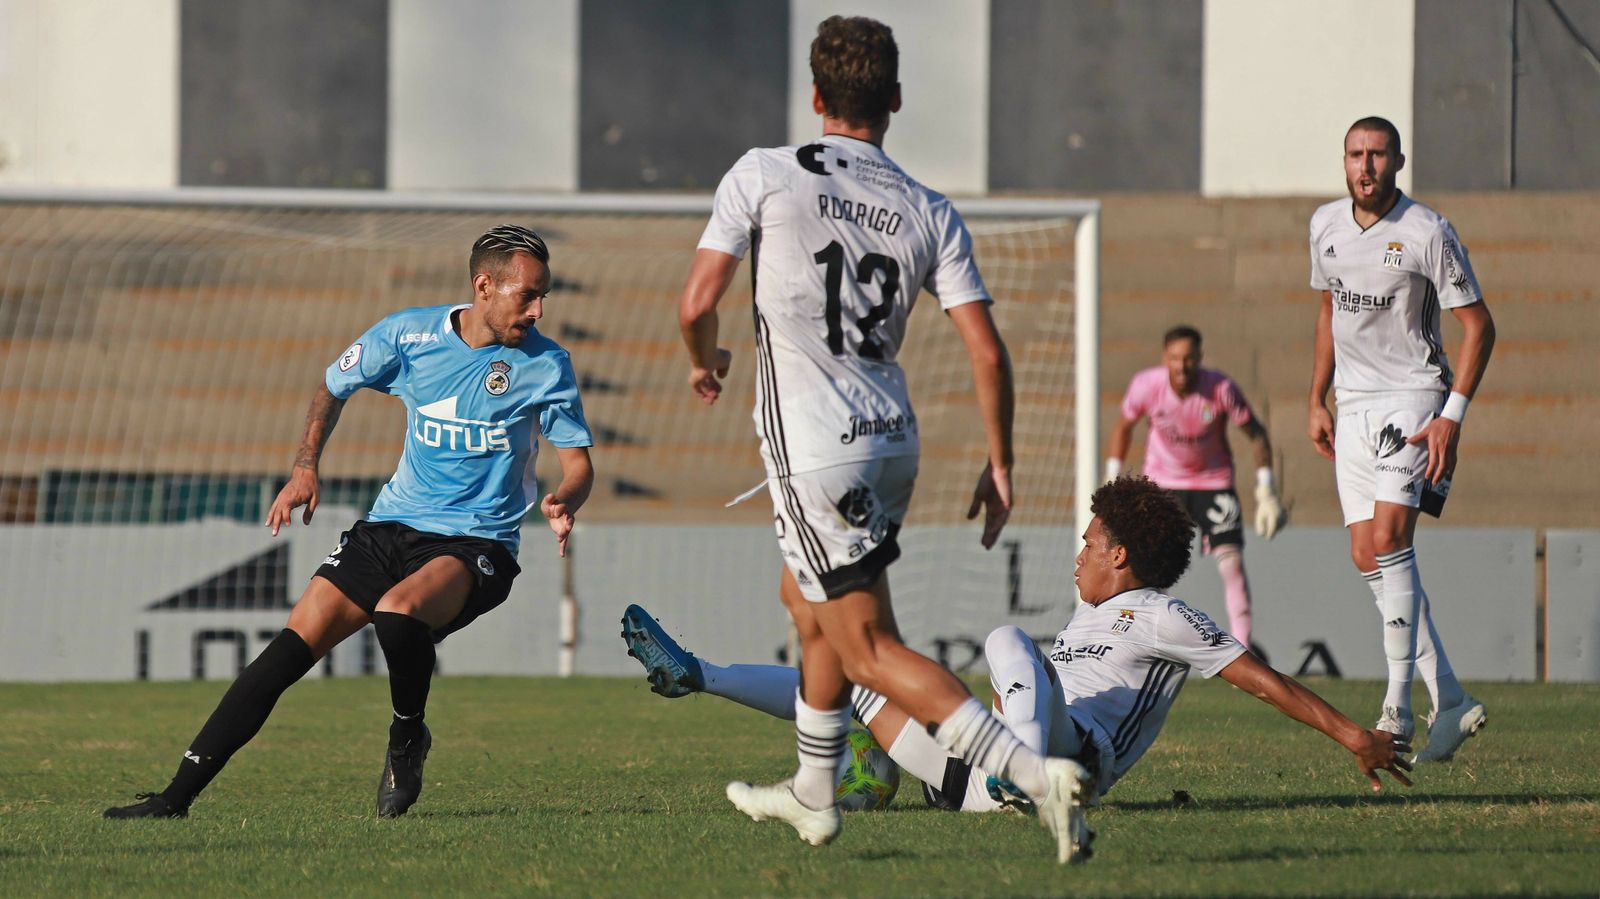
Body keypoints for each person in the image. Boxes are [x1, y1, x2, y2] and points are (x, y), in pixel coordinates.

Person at [661, 14, 1093, 864]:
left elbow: (694, 303)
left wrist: (703, 360)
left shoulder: (764, 173)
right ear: (895, 99)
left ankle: (1034, 776)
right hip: (893, 438)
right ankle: (815, 790)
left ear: (814, 95)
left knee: (867, 649)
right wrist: (1001, 461)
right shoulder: (927, 207)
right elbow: (986, 351)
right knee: (805, 601)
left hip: (817, 445)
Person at [104, 225, 596, 819]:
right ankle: (173, 799)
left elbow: (578, 465)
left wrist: (565, 499)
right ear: (484, 286)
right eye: (528, 295)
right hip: (390, 526)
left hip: (477, 541)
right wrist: (304, 466)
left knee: (398, 611)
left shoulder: (547, 364)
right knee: (284, 655)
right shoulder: (409, 334)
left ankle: (407, 735)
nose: (538, 310)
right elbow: (332, 385)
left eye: (544, 297)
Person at [620, 476, 1412, 818]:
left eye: (1088, 542)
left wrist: (1354, 735)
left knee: (1006, 638)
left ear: (1119, 556)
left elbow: (1264, 679)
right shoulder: (1087, 615)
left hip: (1073, 759)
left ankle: (1022, 774)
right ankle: (699, 674)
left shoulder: (1162, 615)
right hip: (971, 780)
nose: (1078, 555)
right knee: (850, 675)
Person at [1307, 116, 1496, 762]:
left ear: (1398, 161)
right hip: (1353, 404)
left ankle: (1397, 706)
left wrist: (1452, 415)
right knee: (1366, 553)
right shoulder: (1324, 226)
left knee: (1390, 540)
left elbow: (1479, 326)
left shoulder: (1427, 231)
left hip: (1413, 396)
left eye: (1378, 154)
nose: (1366, 166)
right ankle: (1450, 695)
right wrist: (1316, 397)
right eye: (1356, 154)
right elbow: (1328, 310)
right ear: (1344, 161)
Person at [1107, 325, 1285, 655]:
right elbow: (1123, 427)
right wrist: (1112, 480)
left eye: (1189, 358)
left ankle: (1242, 651)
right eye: (1175, 358)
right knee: (1150, 571)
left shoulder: (1220, 389)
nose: (1182, 366)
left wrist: (1266, 491)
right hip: (1162, 485)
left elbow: (1256, 434)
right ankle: (1145, 649)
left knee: (1232, 565)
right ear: (1165, 358)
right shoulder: (1146, 386)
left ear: (1199, 358)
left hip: (1213, 483)